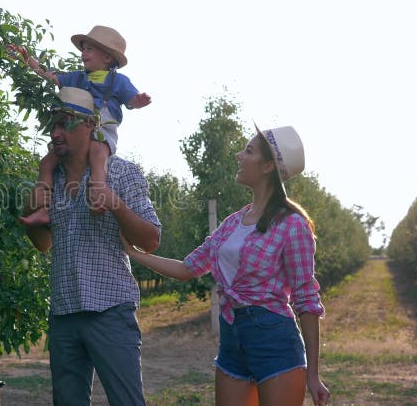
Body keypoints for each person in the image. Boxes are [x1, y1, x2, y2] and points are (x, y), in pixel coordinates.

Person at [122, 125, 331, 406]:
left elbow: (306, 299)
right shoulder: (233, 223)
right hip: (232, 340)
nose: (238, 155)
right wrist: (133, 253)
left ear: (268, 165)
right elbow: (187, 268)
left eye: (248, 150)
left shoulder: (292, 225)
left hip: (275, 343)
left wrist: (313, 374)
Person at [21, 86, 161, 406]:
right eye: (52, 125)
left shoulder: (120, 173)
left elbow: (151, 239)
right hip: (64, 313)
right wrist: (33, 220)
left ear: (88, 126)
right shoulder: (50, 179)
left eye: (64, 124)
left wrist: (115, 204)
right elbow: (43, 245)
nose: (55, 133)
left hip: (110, 311)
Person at [12, 25, 152, 226]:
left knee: (97, 152)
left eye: (89, 49)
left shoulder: (119, 81)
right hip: (76, 128)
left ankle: (98, 196)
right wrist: (27, 60)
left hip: (103, 129)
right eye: (83, 48)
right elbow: (49, 76)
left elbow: (130, 100)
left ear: (108, 58)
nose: (83, 53)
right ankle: (43, 209)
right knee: (47, 163)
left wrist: (138, 101)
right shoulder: (76, 77)